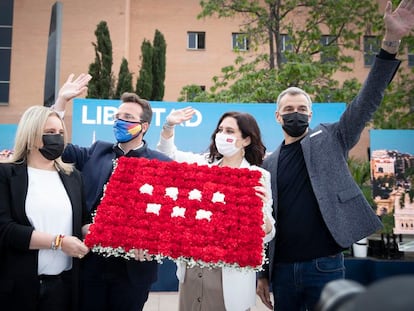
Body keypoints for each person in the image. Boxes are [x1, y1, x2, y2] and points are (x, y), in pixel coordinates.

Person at [256, 1, 414, 310]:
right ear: (277, 117)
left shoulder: (331, 136)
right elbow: (265, 222)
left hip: (324, 266)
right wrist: (263, 274)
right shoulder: (268, 164)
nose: (296, 114)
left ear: (311, 114)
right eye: (289, 110)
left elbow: (367, 99)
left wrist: (390, 44)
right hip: (282, 271)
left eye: (302, 109)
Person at [52, 76, 172, 311]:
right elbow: (57, 149)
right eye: (117, 117)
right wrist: (60, 103)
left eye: (128, 118)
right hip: (90, 262)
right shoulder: (97, 151)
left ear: (144, 126)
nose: (120, 121)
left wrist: (152, 240)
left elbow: (170, 214)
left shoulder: (162, 164)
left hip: (133, 271)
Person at [156, 108, 276, 311]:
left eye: (230, 131)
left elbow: (268, 233)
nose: (222, 135)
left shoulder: (258, 176)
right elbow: (167, 155)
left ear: (246, 140)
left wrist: (261, 214)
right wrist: (169, 126)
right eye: (220, 130)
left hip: (230, 277)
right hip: (194, 270)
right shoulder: (202, 165)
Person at [0, 106, 90, 311]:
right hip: (18, 289)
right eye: (49, 133)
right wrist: (58, 242)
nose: (56, 138)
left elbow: (82, 220)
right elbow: (5, 229)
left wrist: (91, 232)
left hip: (63, 289)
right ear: (30, 135)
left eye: (60, 133)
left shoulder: (73, 176)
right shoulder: (6, 175)